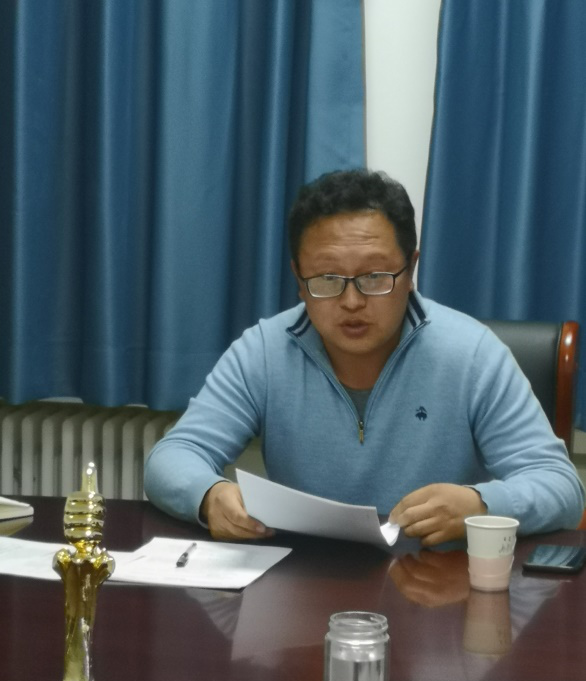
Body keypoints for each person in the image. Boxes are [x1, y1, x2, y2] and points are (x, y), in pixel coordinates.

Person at [144, 169, 584, 545]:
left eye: (374, 276)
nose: (351, 302)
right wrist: (210, 495)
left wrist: (480, 505)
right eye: (327, 278)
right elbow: (173, 456)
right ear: (298, 278)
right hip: (301, 583)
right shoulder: (264, 351)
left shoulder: (471, 354)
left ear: (410, 270)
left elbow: (561, 486)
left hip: (437, 588)